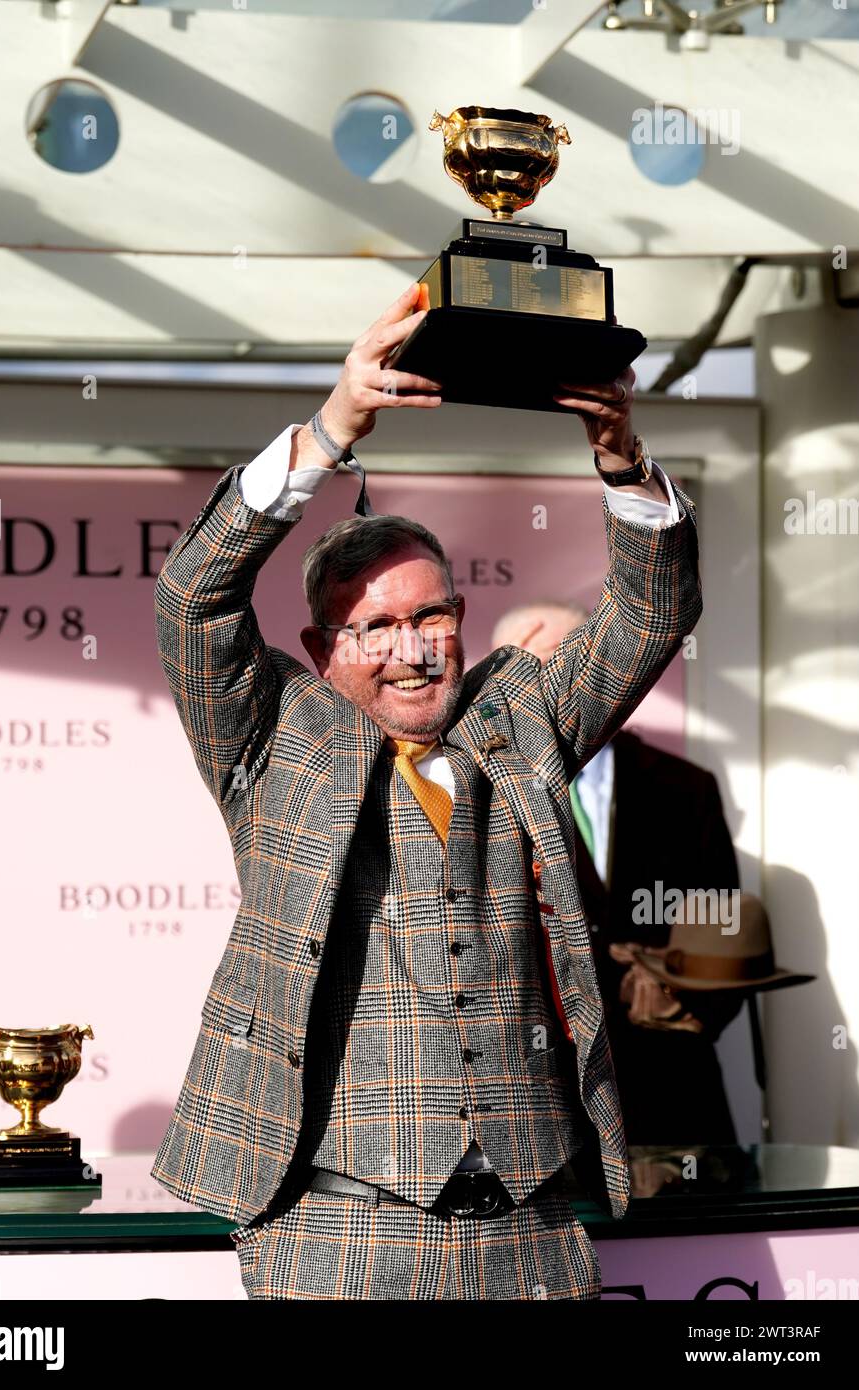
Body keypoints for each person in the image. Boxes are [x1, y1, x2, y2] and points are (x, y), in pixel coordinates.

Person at [149, 282, 702, 1300]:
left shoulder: (517, 717)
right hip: (339, 1237)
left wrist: (621, 457)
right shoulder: (270, 736)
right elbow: (194, 597)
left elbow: (648, 619)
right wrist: (332, 430)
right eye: (378, 627)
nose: (413, 650)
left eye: (434, 616)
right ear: (321, 649)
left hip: (531, 1235)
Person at [493, 601, 742, 1145]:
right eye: (534, 673)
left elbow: (722, 926)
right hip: (541, 1112)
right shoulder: (475, 796)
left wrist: (685, 1005)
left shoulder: (684, 788)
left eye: (572, 666)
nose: (556, 691)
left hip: (673, 1098)